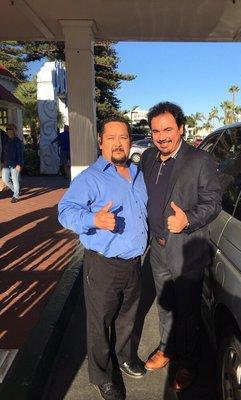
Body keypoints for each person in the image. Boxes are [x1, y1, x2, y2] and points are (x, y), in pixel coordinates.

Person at [58, 116, 148, 400]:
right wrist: (93, 219)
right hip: (103, 264)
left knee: (127, 317)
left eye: (123, 137)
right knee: (99, 322)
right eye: (111, 138)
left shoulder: (137, 173)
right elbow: (64, 211)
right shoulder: (90, 178)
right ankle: (101, 375)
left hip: (135, 263)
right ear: (101, 142)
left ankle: (123, 357)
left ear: (130, 141)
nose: (118, 143)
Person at [140, 102, 221, 391]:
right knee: (165, 305)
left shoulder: (200, 160)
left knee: (187, 311)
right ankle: (167, 348)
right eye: (156, 131)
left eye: (168, 130)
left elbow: (213, 202)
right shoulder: (148, 157)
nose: (162, 137)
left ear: (182, 129)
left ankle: (188, 362)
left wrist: (187, 220)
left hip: (186, 250)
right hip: (157, 249)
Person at [1, 123, 24, 203]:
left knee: (15, 180)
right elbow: (4, 152)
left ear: (13, 131)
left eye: (9, 130)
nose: (7, 131)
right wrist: (2, 161)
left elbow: (20, 154)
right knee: (5, 179)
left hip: (15, 164)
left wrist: (19, 164)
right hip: (6, 163)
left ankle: (16, 196)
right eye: (6, 130)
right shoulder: (5, 140)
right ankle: (16, 190)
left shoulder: (17, 141)